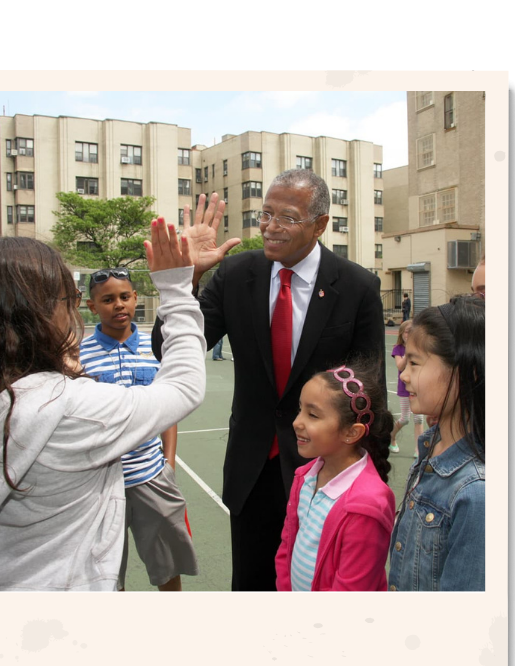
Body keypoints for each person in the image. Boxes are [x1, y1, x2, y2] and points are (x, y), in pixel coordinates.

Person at [152, 177, 387, 590]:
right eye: (265, 214)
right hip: (252, 471)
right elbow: (167, 349)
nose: (270, 226)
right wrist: (185, 281)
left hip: (326, 472)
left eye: (287, 217)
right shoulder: (235, 274)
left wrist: (372, 475)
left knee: (319, 586)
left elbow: (370, 391)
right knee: (251, 588)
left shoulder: (357, 287)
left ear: (320, 225)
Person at [0, 217, 208, 591]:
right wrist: (177, 286)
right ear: (39, 313)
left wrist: (166, 463)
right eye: (67, 299)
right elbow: (183, 387)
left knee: (166, 565)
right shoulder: (68, 403)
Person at [79, 267, 198, 593]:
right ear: (92, 307)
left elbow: (167, 409)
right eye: (107, 300)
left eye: (124, 297)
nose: (118, 305)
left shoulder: (155, 346)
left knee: (167, 565)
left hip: (150, 476)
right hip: (100, 485)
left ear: (135, 298)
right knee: (105, 574)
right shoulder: (79, 355)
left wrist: (168, 463)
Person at [388, 296, 485, 591]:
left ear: (464, 372)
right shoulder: (432, 446)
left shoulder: (476, 493)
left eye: (415, 363)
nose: (404, 374)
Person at [275, 361, 396, 591]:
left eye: (312, 415)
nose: (296, 422)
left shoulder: (365, 507)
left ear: (352, 432)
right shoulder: (304, 477)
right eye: (300, 409)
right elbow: (287, 545)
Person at [390, 329, 425, 451]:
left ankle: (418, 449)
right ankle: (391, 437)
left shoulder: (420, 348)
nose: (409, 334)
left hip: (417, 387)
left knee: (419, 419)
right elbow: (400, 366)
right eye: (407, 332)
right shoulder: (398, 349)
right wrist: (408, 351)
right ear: (401, 333)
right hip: (405, 388)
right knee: (405, 419)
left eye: (412, 332)